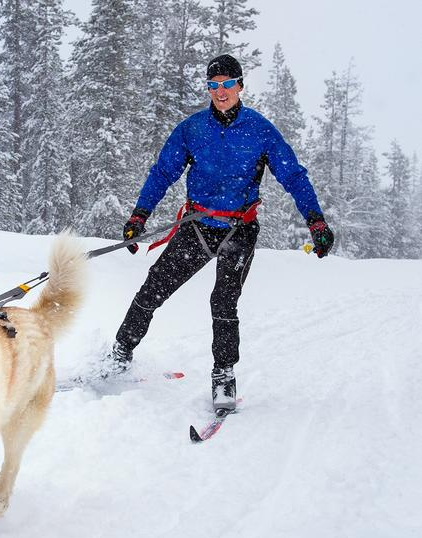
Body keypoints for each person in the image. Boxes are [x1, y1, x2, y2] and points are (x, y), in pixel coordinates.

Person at [112, 54, 334, 412]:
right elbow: (162, 173)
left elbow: (293, 175)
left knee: (223, 300)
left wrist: (316, 221)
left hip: (239, 230)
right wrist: (140, 215)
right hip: (197, 226)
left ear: (240, 86)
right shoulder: (192, 129)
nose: (220, 91)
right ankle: (119, 355)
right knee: (154, 288)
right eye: (213, 85)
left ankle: (223, 375)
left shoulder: (260, 130)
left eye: (227, 84)